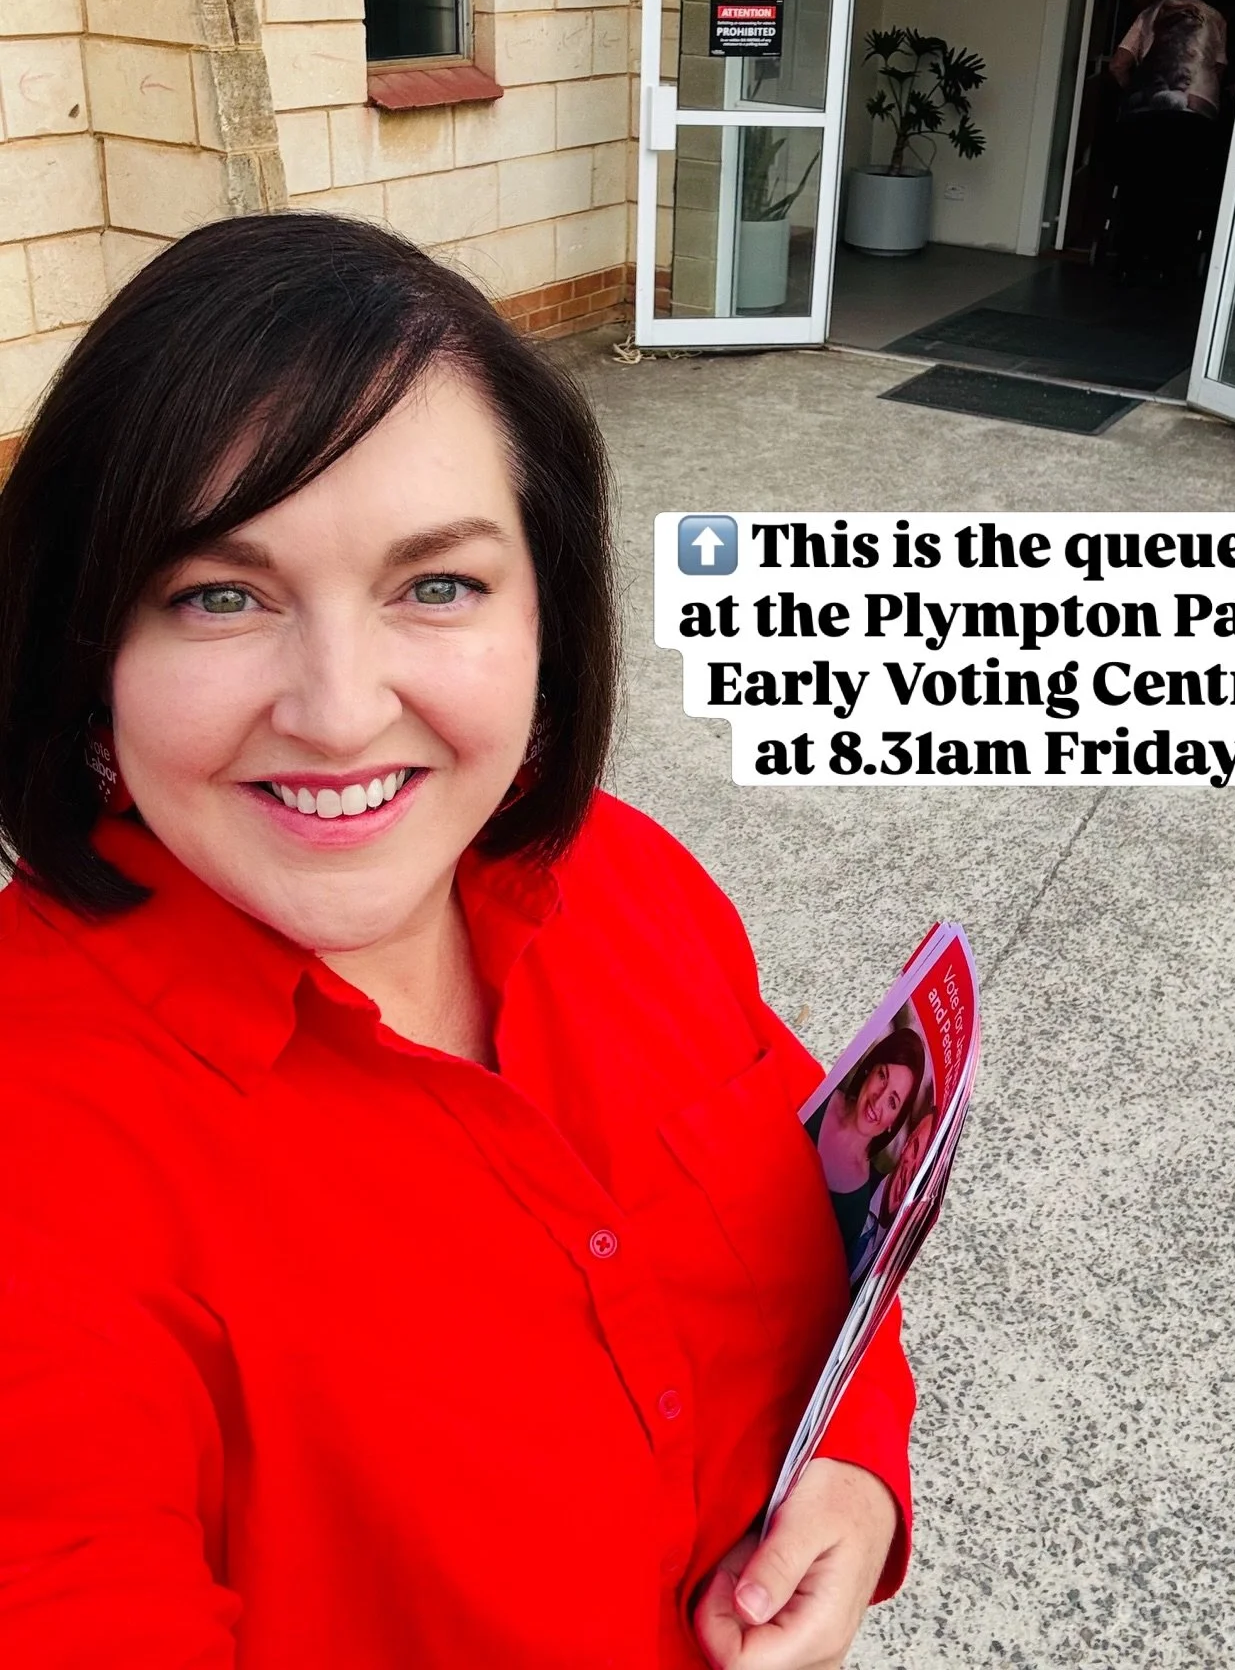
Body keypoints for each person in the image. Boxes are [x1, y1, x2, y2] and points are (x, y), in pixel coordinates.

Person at [0, 214, 915, 1670]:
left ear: (548, 619)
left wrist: (857, 1473)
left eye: (439, 584)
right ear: (85, 652)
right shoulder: (36, 1139)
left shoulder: (626, 878)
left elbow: (826, 1221)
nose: (340, 707)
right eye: (220, 595)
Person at [1108, 0, 1230, 283]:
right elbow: (1217, 68)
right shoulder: (1216, 18)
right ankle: (1173, 262)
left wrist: (1134, 92)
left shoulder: (1151, 13)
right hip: (1195, 117)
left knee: (1139, 183)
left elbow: (1119, 63)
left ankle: (1128, 258)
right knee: (1183, 187)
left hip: (1146, 112)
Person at [803, 1020, 925, 1272]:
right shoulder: (815, 1095)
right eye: (883, 1076)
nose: (878, 1100)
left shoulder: (857, 1207)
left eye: (893, 1101)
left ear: (894, 1122)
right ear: (869, 1069)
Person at [849, 1085, 937, 1284]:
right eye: (915, 1149)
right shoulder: (852, 1178)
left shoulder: (898, 1257)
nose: (911, 1170)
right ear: (905, 1145)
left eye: (924, 1167)